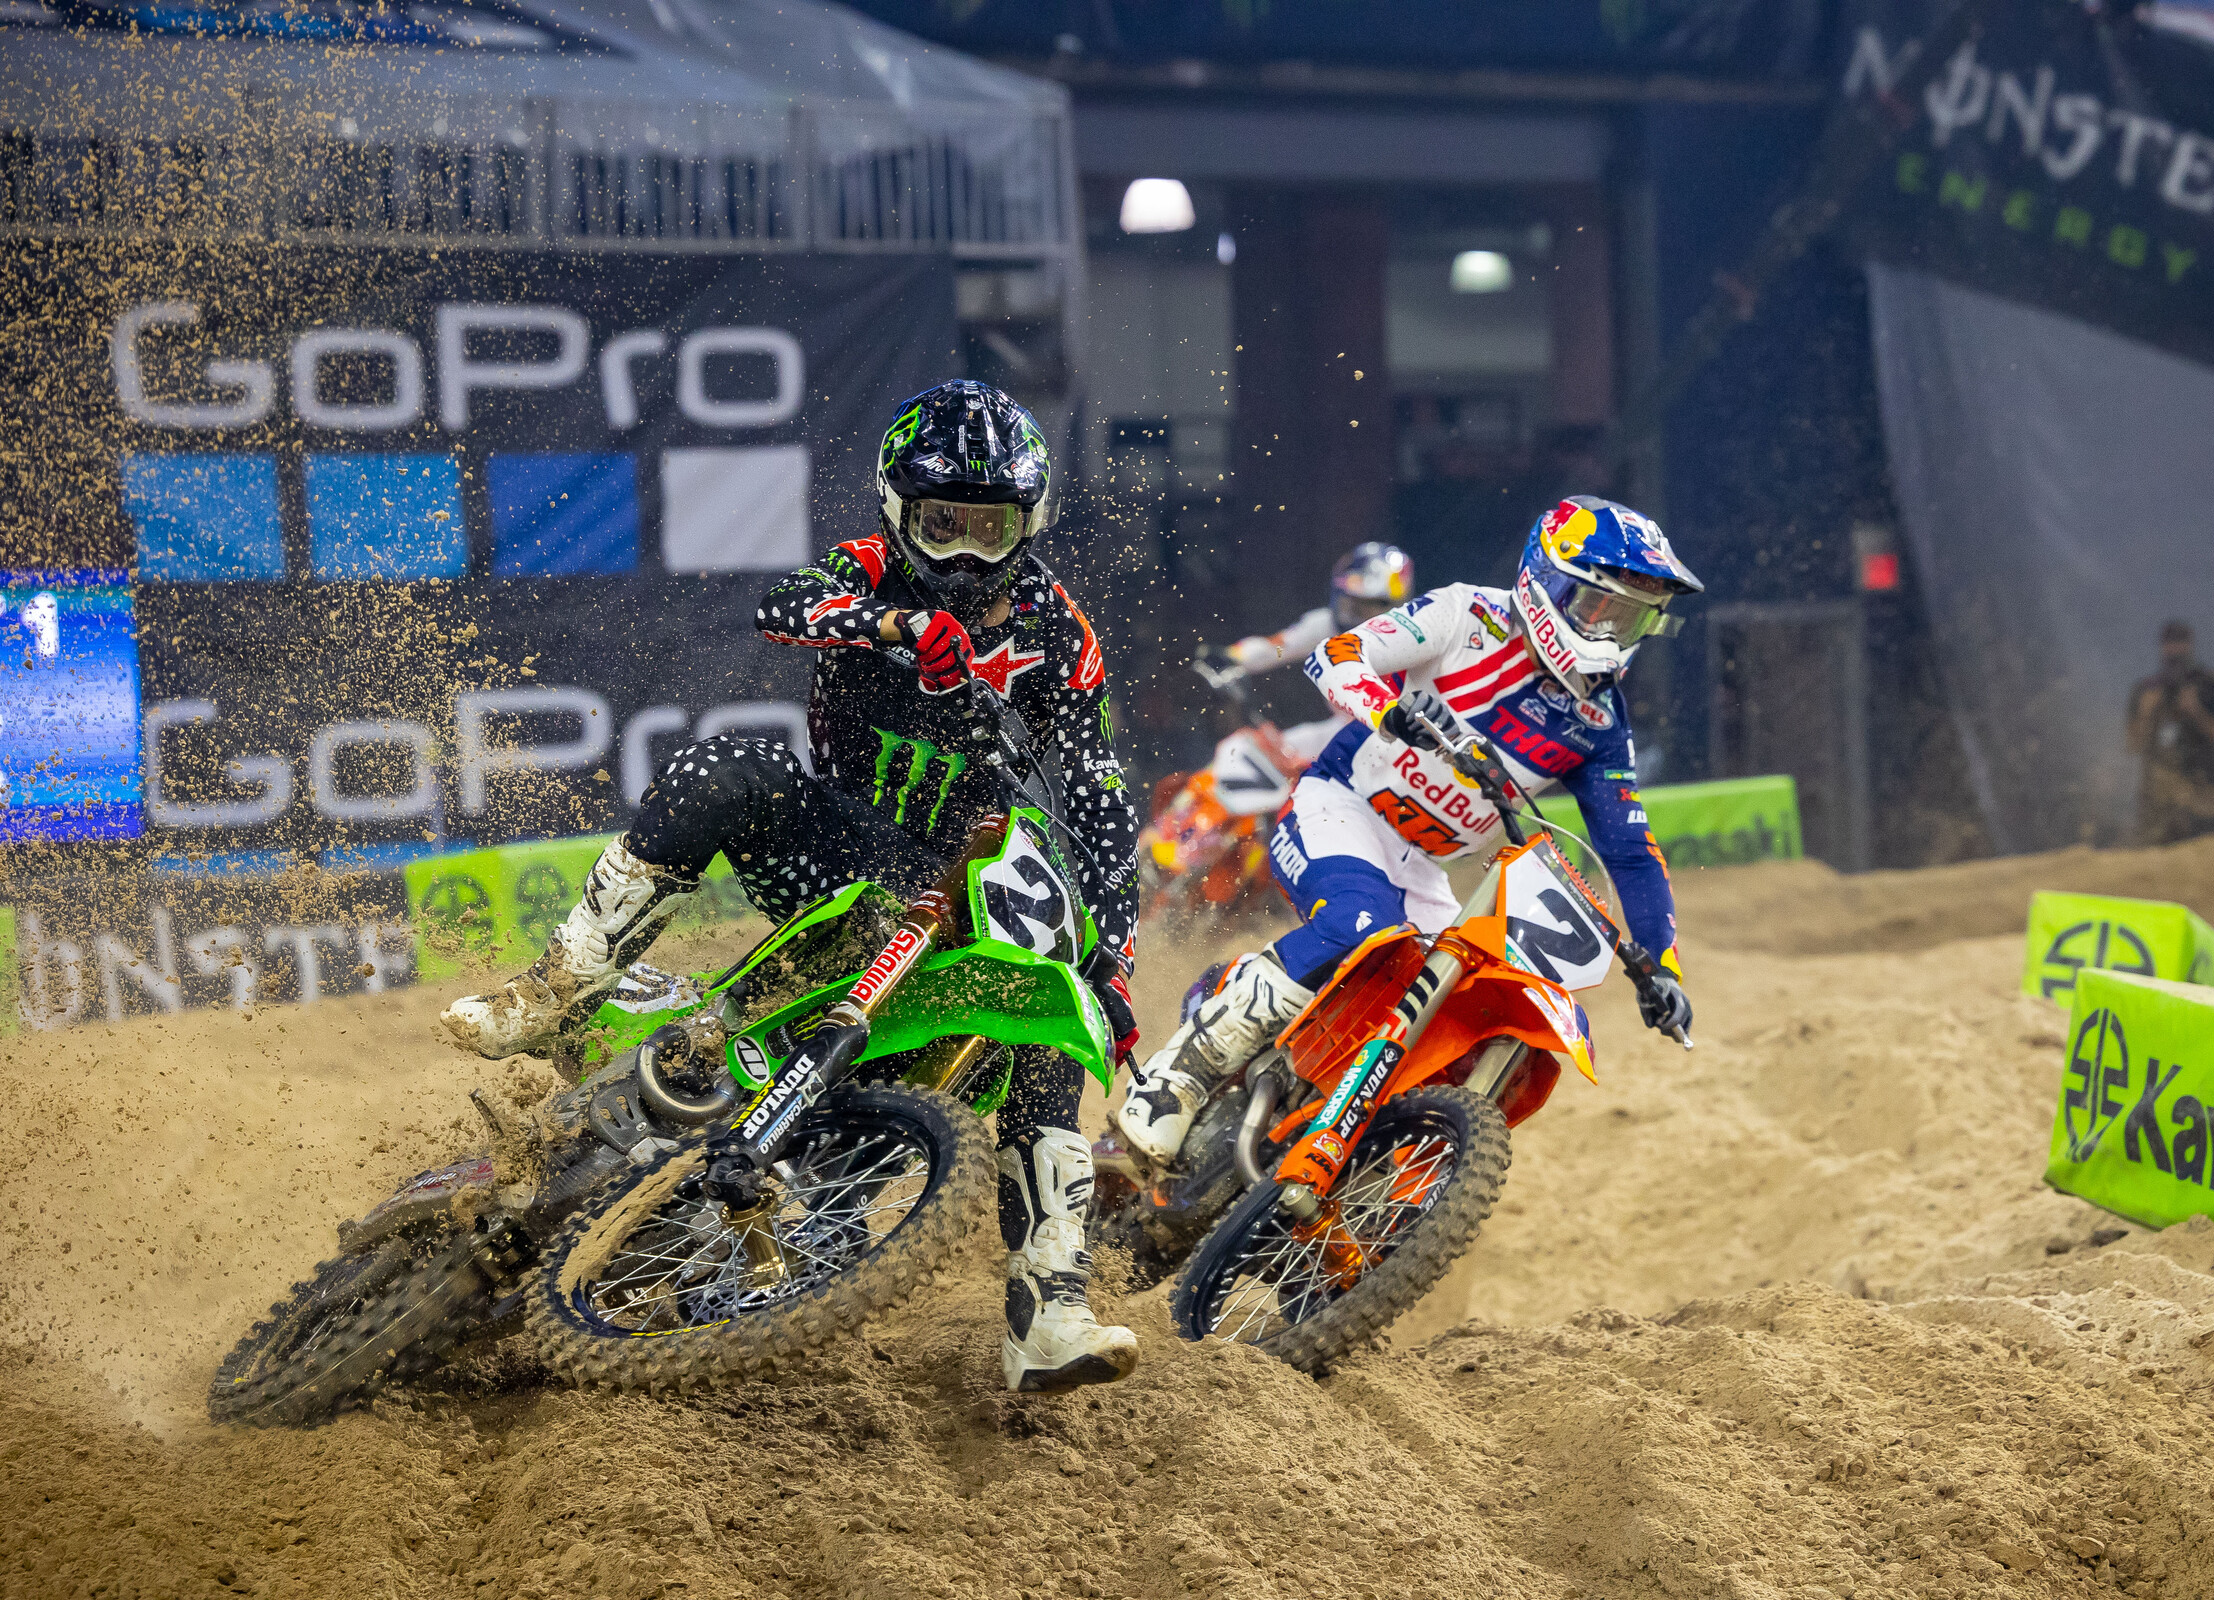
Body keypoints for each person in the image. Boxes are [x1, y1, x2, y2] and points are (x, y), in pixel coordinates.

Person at [441, 380, 1144, 1392]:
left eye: (990, 528)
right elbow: (784, 605)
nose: (963, 552)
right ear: (901, 512)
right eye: (941, 523)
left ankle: (1048, 1308)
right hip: (844, 852)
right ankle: (551, 988)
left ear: (1027, 526)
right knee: (729, 764)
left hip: (958, 886)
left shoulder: (1060, 636)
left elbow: (1104, 804)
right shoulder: (867, 572)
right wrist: (892, 630)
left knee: (1047, 1032)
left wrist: (1113, 968)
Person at [1115, 496, 1698, 1166]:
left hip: (1422, 867)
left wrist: (1663, 966)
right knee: (1365, 928)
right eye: (1604, 609)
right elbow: (1337, 655)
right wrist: (1389, 711)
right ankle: (1177, 1077)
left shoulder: (1599, 723)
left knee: (1475, 1005)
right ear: (1550, 582)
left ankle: (1367, 1177)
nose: (1611, 635)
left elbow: (1629, 847)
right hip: (1341, 806)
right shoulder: (1464, 614)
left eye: (1633, 619)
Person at [1198, 542, 1416, 762]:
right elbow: (1278, 648)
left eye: (1378, 606)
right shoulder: (1325, 625)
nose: (1365, 616)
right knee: (1257, 755)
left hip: (1401, 744)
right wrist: (1233, 656)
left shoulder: (1414, 640)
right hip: (1343, 731)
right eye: (1357, 605)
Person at [2126, 621, 2214, 846]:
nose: (2175, 650)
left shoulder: (2210, 685)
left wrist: (2197, 712)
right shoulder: (2146, 690)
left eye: (2180, 643)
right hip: (2159, 800)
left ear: (2190, 646)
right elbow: (2133, 746)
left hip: (2203, 794)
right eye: (2169, 644)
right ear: (2161, 648)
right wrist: (2145, 714)